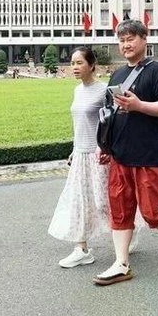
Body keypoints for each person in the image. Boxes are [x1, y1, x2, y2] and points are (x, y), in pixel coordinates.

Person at [93, 20, 158, 286]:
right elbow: (110, 115)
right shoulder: (117, 75)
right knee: (119, 211)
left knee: (154, 214)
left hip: (146, 154)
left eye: (131, 39)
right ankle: (121, 263)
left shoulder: (157, 71)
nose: (126, 45)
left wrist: (139, 105)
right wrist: (106, 147)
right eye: (121, 40)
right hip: (120, 154)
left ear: (145, 39)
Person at [48, 47, 113, 268]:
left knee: (105, 202)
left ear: (92, 65)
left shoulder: (105, 91)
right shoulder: (77, 91)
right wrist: (74, 149)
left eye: (79, 63)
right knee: (79, 202)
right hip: (80, 155)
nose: (74, 67)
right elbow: (79, 124)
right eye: (72, 63)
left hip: (99, 156)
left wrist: (106, 149)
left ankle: (126, 231)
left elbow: (111, 124)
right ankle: (81, 248)